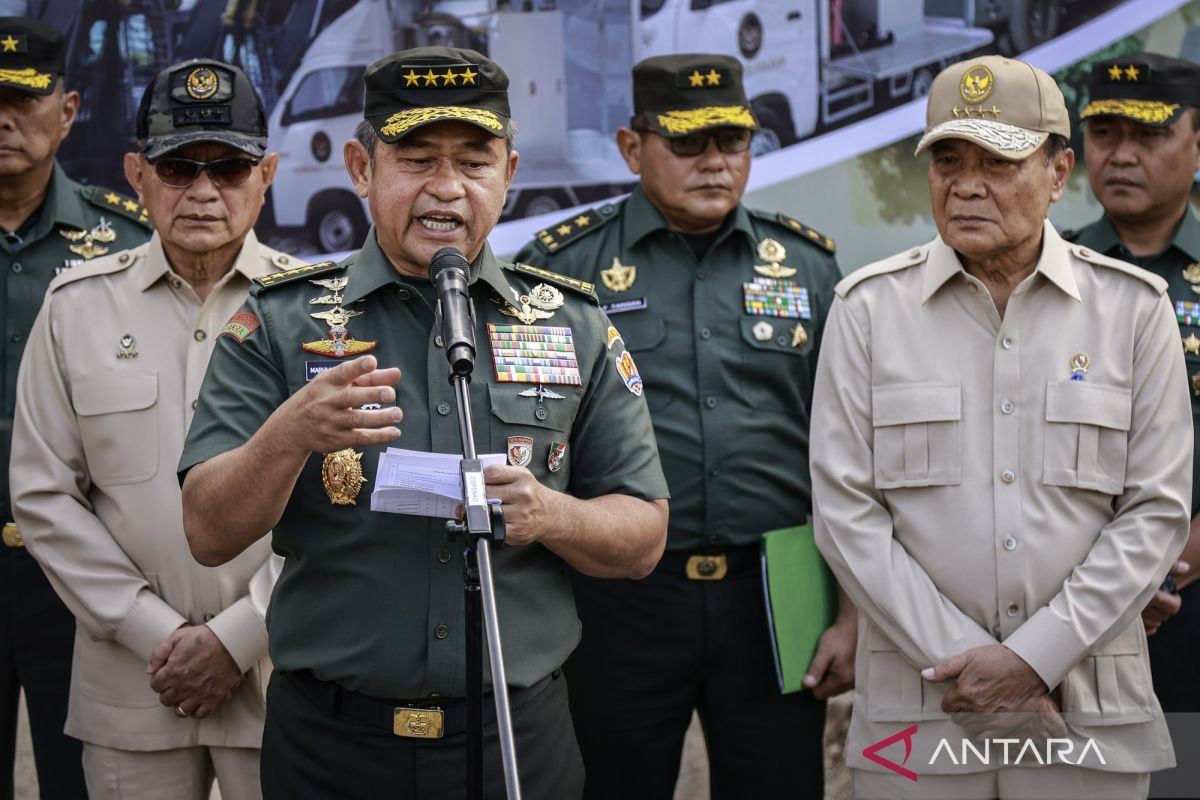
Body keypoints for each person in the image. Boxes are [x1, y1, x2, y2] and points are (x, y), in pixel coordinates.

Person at [177, 47, 669, 800]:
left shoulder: (572, 324)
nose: (446, 189)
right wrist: (291, 434)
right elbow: (208, 531)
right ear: (361, 168)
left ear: (510, 172)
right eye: (415, 159)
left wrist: (550, 514)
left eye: (473, 163)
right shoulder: (279, 322)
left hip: (514, 738)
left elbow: (643, 537)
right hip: (332, 748)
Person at [810, 55, 1190, 798]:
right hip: (917, 714)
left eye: (999, 160)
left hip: (1085, 710)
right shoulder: (866, 312)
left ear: (1058, 172)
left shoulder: (1134, 311)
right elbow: (846, 514)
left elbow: (1155, 512)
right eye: (948, 160)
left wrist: (1031, 662)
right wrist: (972, 665)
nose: (967, 184)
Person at [515, 53, 854, 799]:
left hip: (777, 590)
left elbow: (848, 449)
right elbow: (533, 441)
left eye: (731, 142)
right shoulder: (563, 270)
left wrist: (850, 610)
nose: (714, 163)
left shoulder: (805, 267)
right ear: (632, 147)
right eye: (687, 143)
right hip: (619, 597)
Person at [10, 58, 294, 800]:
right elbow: (43, 496)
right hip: (132, 681)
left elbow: (346, 501)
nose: (203, 191)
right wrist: (158, 636)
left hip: (278, 681)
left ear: (267, 174)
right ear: (136, 174)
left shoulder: (317, 315)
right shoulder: (74, 308)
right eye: (178, 167)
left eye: (229, 168)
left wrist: (237, 638)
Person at [0, 16, 151, 800]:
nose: (3, 119)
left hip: (86, 578)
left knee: (89, 783)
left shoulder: (129, 243)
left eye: (22, 100)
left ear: (67, 111)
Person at [1064, 53, 1200, 713]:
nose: (1121, 155)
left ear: (1198, 142)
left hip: (1190, 590)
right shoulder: (1037, 268)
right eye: (1105, 133)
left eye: (1149, 135)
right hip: (1058, 599)